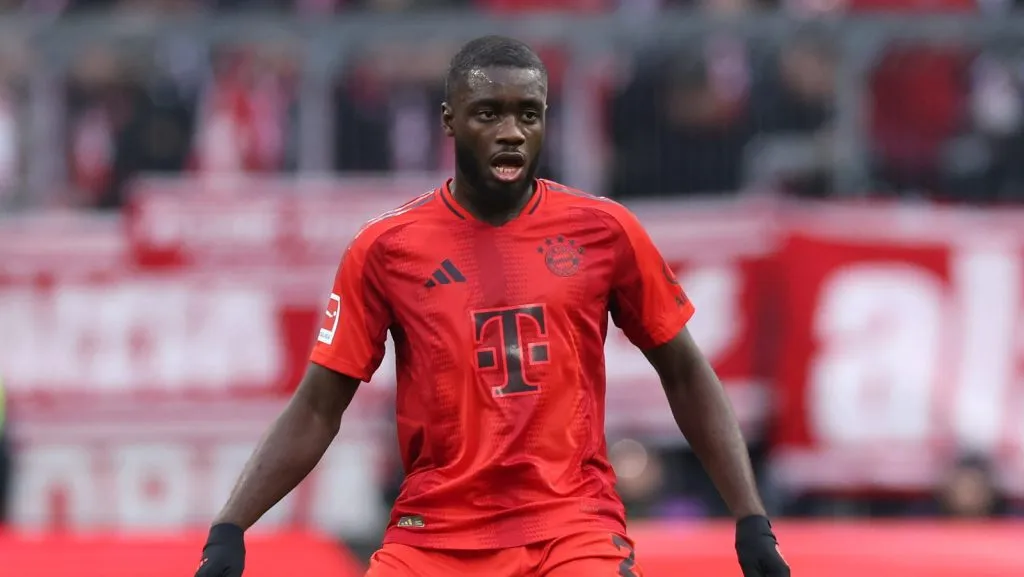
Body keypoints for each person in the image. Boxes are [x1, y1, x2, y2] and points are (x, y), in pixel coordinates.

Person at [195, 35, 790, 577]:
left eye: (528, 114)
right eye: (489, 113)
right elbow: (318, 407)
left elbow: (685, 371)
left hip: (571, 530)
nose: (512, 131)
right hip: (434, 537)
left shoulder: (604, 230)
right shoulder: (386, 249)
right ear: (450, 121)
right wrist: (231, 527)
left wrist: (750, 517)